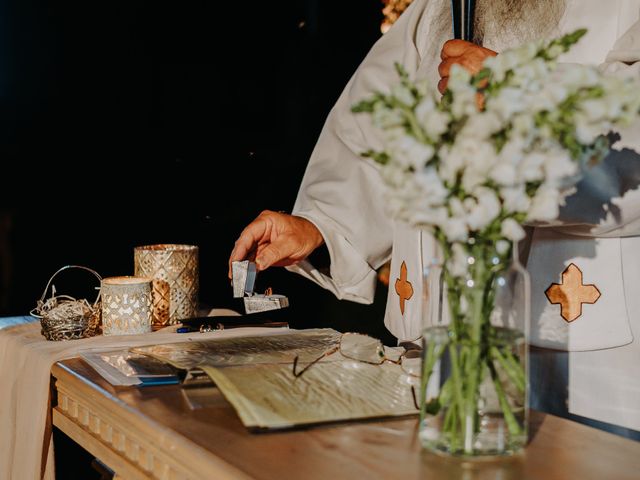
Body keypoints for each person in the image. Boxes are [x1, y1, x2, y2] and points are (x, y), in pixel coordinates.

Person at [229, 0, 640, 439]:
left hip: (583, 366)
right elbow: (378, 129)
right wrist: (322, 227)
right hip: (435, 347)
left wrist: (522, 101)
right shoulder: (436, 9)